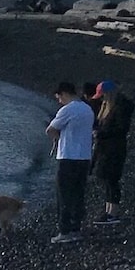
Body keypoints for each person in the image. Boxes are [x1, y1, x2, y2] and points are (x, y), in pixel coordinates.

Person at [47, 82, 95, 244]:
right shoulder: (88, 109)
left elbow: (51, 129)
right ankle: (76, 228)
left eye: (59, 97)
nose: (59, 101)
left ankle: (65, 231)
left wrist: (58, 138)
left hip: (68, 157)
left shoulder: (67, 110)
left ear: (64, 93)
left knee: (64, 195)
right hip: (84, 157)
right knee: (78, 194)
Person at [92, 80, 135, 224]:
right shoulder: (110, 107)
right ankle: (108, 211)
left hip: (114, 149)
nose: (102, 99)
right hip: (107, 148)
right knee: (107, 180)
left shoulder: (120, 108)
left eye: (103, 95)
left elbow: (121, 129)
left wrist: (101, 133)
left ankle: (113, 213)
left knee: (112, 180)